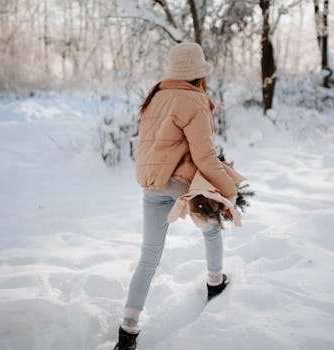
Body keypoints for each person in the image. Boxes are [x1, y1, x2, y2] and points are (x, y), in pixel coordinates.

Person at [113, 42, 239, 350]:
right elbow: (206, 157)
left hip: (151, 184)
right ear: (198, 74)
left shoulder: (155, 97)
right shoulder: (194, 101)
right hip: (182, 185)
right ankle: (214, 284)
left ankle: (127, 330)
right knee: (211, 230)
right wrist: (230, 190)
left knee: (149, 255)